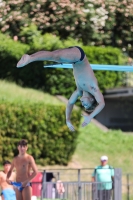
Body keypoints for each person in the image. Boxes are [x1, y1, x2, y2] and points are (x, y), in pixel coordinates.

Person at [16, 46, 105, 131]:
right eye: (86, 105)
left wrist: (68, 119)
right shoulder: (93, 88)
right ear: (91, 99)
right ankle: (30, 58)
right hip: (79, 57)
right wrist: (90, 117)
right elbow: (102, 103)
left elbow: (70, 103)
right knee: (54, 56)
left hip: (74, 60)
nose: (82, 104)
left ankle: (30, 57)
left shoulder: (79, 91)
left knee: (54, 56)